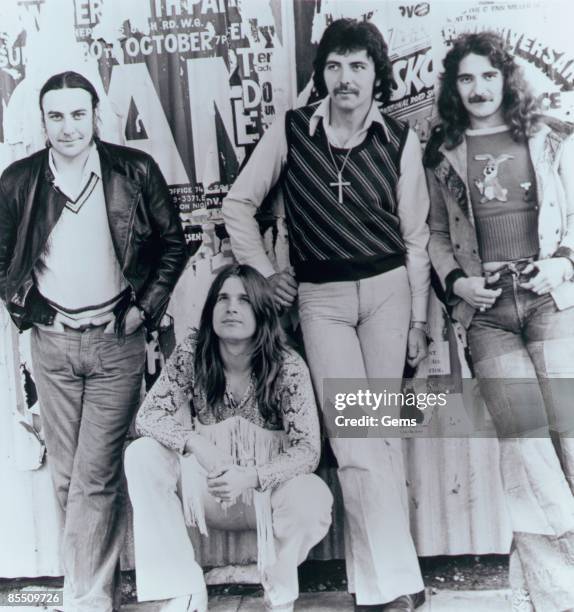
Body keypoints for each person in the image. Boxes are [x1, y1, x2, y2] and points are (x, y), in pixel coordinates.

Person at [223, 17, 430, 612]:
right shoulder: (292, 131)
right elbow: (239, 204)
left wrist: (418, 320)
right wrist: (263, 273)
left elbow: (415, 237)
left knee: (379, 438)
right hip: (322, 300)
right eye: (334, 66)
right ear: (322, 74)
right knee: (358, 439)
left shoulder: (399, 138)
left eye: (358, 66)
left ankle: (374, 587)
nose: (345, 79)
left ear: (375, 75)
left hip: (390, 291)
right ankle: (400, 581)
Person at [0, 71, 187, 611]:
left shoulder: (133, 170)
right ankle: (94, 588)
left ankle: (85, 599)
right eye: (55, 116)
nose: (67, 127)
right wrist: (32, 312)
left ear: (94, 116)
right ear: (43, 121)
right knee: (68, 478)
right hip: (53, 347)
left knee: (95, 473)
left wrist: (144, 311)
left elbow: (174, 244)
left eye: (77, 114)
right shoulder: (20, 181)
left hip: (115, 342)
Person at [425, 31, 574, 611]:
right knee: (526, 452)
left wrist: (561, 267)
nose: (478, 88)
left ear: (506, 78)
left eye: (488, 75)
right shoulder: (442, 152)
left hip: (548, 305)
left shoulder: (552, 137)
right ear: (453, 87)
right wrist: (457, 283)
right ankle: (556, 593)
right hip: (487, 318)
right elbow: (436, 234)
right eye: (466, 78)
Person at [124, 264, 333, 612]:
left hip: (265, 499)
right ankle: (185, 591)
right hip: (206, 491)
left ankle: (278, 590)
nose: (231, 307)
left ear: (263, 312)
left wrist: (250, 477)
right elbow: (147, 416)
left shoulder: (287, 364)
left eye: (244, 300)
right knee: (141, 455)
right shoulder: (194, 352)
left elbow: (308, 451)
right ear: (211, 309)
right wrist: (196, 443)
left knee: (313, 499)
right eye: (223, 298)